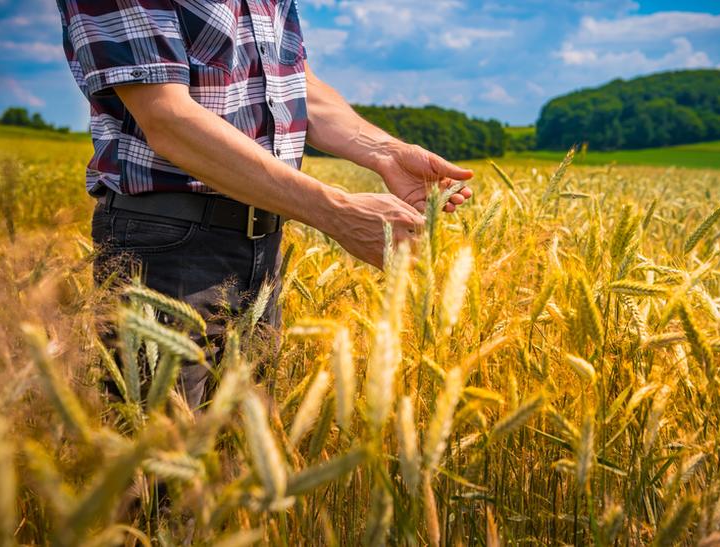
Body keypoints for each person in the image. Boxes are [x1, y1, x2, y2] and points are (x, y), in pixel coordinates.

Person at [56, 0, 474, 409]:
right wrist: (337, 212)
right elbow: (167, 117)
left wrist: (385, 151)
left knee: (241, 461)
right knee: (158, 458)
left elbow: (294, 83)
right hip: (167, 246)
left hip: (263, 247)